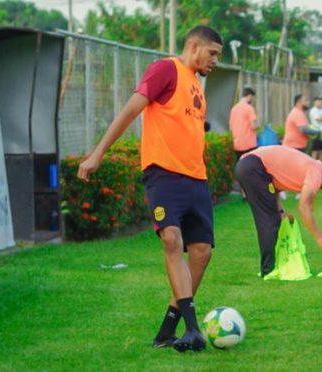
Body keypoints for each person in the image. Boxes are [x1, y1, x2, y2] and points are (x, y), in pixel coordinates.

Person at [77, 26, 223, 353]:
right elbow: (131, 111)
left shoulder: (198, 84)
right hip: (164, 177)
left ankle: (168, 328)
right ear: (195, 45)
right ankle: (194, 329)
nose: (215, 61)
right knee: (172, 239)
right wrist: (98, 153)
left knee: (202, 252)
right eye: (213, 53)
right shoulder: (165, 70)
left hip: (196, 179)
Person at [234, 145, 322, 276]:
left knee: (272, 218)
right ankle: (269, 270)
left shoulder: (307, 169)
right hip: (253, 167)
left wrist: (281, 212)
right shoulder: (316, 169)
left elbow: (274, 186)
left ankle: (271, 267)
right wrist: (320, 238)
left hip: (248, 166)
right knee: (269, 220)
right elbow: (304, 207)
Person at [229, 87, 259, 159]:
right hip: (249, 144)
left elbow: (230, 127)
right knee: (250, 167)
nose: (252, 99)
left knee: (240, 165)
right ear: (249, 96)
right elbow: (253, 126)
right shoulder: (249, 108)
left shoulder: (234, 109)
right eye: (252, 97)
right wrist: (259, 126)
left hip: (237, 145)